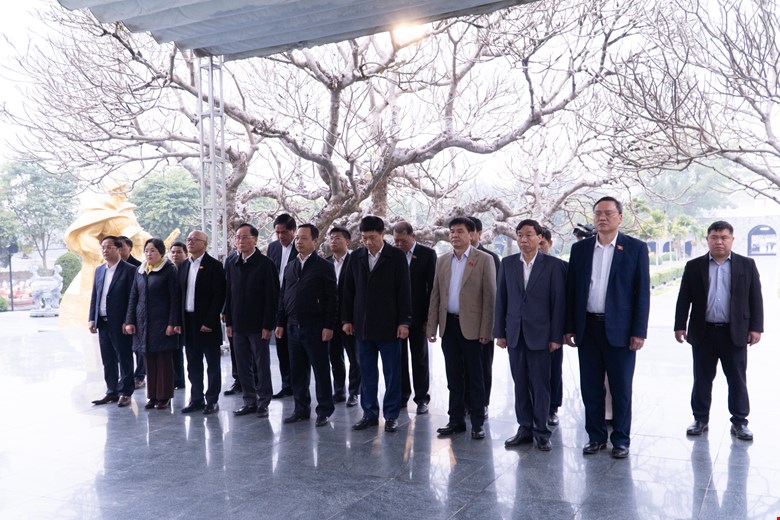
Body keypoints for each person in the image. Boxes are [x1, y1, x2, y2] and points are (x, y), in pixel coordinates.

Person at [564, 196, 650, 459]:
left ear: (620, 218)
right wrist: (569, 326)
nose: (602, 218)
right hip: (588, 328)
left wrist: (639, 332)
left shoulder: (635, 248)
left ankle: (621, 439)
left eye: (608, 213)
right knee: (590, 387)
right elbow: (572, 291)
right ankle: (596, 437)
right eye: (598, 213)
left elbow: (642, 293)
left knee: (621, 387)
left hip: (620, 331)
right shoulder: (580, 250)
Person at [674, 221, 763, 441]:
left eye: (724, 237)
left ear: (732, 239)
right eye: (714, 237)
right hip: (703, 332)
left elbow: (755, 298)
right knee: (702, 379)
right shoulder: (694, 266)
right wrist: (679, 325)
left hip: (734, 333)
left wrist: (756, 328)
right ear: (708, 240)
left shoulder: (747, 264)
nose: (719, 242)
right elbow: (684, 298)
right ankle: (700, 419)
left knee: (737, 380)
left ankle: (740, 422)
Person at [495, 220, 567, 451]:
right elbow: (501, 300)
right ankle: (524, 429)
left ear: (540, 238)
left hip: (542, 336)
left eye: (528, 235)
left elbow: (558, 304)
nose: (523, 239)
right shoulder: (507, 264)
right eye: (520, 235)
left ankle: (542, 431)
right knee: (520, 384)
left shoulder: (554, 266)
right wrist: (500, 332)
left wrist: (556, 337)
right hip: (515, 334)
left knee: (540, 384)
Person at [427, 216, 496, 440]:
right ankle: (455, 420)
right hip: (449, 326)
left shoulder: (484, 259)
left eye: (460, 231)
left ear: (471, 234)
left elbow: (490, 298)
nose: (455, 235)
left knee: (476, 377)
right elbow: (436, 294)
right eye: (452, 232)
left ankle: (477, 423)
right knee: (453, 376)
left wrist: (487, 330)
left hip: (473, 329)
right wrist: (432, 326)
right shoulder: (442, 261)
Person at [342, 216, 412, 433]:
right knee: (367, 372)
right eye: (364, 238)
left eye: (372, 237)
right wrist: (346, 320)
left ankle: (391, 415)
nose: (368, 242)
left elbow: (404, 291)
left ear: (383, 234)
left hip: (390, 326)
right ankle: (369, 414)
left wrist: (404, 322)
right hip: (363, 326)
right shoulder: (356, 257)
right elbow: (347, 290)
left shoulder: (396, 256)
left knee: (392, 373)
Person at [275, 224, 338, 427]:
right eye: (297, 238)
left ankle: (324, 410)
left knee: (321, 370)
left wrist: (329, 326)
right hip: (292, 326)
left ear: (315, 241)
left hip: (316, 326)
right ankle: (301, 409)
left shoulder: (324, 266)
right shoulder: (290, 266)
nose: (299, 242)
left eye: (304, 238)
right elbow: (283, 296)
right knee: (297, 371)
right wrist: (280, 322)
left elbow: (332, 299)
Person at [224, 223, 279, 418]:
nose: (241, 241)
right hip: (238, 323)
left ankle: (263, 401)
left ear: (255, 239)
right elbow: (228, 294)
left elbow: (272, 297)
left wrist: (268, 325)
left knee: (261, 365)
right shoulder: (232, 262)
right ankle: (249, 400)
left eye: (245, 237)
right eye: (238, 237)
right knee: (242, 365)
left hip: (258, 325)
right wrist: (229, 322)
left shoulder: (265, 264)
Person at [124, 238, 182, 410]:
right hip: (143, 322)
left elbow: (175, 299)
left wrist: (172, 323)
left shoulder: (169, 270)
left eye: (153, 251)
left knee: (163, 360)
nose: (149, 254)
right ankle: (153, 396)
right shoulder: (141, 270)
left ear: (161, 253)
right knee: (149, 360)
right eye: (147, 251)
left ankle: (165, 396)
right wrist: (130, 320)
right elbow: (133, 297)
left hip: (162, 322)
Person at [178, 231, 226, 415]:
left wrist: (210, 321)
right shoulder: (183, 266)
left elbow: (219, 295)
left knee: (212, 364)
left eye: (194, 240)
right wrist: (178, 321)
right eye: (188, 240)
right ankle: (196, 399)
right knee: (193, 364)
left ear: (204, 244)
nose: (190, 242)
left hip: (207, 323)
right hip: (188, 321)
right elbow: (178, 295)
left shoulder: (214, 265)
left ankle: (212, 400)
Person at [392, 221, 436, 415]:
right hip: (396, 317)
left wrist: (429, 319)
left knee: (419, 359)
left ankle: (422, 398)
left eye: (403, 241)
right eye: (396, 241)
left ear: (413, 236)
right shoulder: (392, 255)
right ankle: (402, 396)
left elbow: (432, 288)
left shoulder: (427, 254)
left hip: (419, 316)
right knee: (398, 358)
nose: (399, 245)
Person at [88, 236, 137, 408]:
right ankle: (111, 391)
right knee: (108, 359)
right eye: (103, 247)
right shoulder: (100, 270)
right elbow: (95, 295)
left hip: (121, 323)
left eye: (109, 247)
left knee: (124, 358)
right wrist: (92, 318)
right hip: (102, 322)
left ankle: (126, 392)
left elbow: (132, 298)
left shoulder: (130, 270)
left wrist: (128, 320)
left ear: (119, 249)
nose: (105, 250)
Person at [466, 216, 500, 418]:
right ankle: (464, 403)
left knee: (483, 365)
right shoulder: (453, 258)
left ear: (478, 233)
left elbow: (495, 295)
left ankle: (482, 403)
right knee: (461, 366)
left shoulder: (490, 258)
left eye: (470, 232)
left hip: (482, 324)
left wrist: (492, 326)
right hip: (460, 323)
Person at [327, 226, 360, 407]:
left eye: (338, 238)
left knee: (355, 357)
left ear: (347, 241)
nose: (333, 241)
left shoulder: (355, 261)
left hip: (350, 318)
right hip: (331, 318)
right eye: (331, 238)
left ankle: (354, 392)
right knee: (335, 356)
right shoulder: (325, 263)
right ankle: (339, 390)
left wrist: (351, 318)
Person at [267, 213, 296, 399]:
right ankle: (286, 385)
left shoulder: (300, 247)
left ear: (293, 231)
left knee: (295, 348)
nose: (280, 236)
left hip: (293, 302)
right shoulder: (273, 247)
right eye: (277, 232)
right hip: (277, 302)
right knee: (281, 345)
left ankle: (298, 385)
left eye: (284, 232)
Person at [540, 226, 563, 427]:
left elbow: (564, 302)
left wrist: (561, 332)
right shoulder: (518, 265)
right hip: (529, 329)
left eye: (542, 244)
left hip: (553, 330)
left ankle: (552, 408)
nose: (538, 247)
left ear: (549, 243)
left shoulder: (560, 266)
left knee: (553, 370)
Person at [118, 235, 145, 389]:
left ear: (130, 248)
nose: (119, 249)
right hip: (119, 314)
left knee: (139, 349)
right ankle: (125, 377)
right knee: (123, 349)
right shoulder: (112, 267)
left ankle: (140, 376)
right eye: (117, 246)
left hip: (136, 314)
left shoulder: (138, 267)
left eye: (122, 246)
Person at [168, 240, 188, 390]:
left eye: (179, 252)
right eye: (173, 252)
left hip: (185, 315)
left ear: (185, 254)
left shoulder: (187, 269)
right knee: (174, 349)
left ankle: (179, 379)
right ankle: (176, 379)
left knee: (180, 349)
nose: (175, 255)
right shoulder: (169, 270)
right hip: (171, 316)